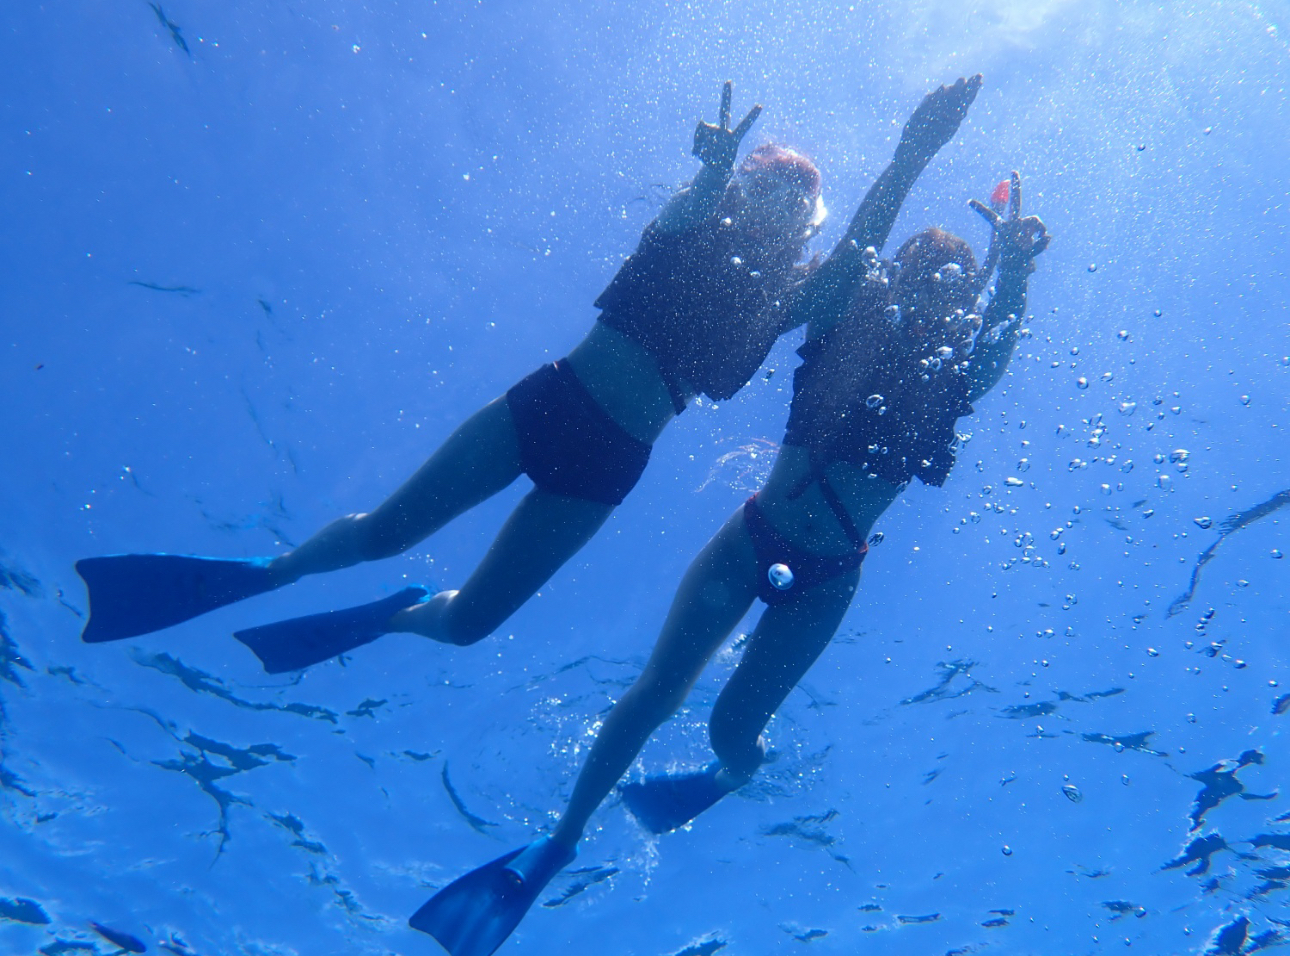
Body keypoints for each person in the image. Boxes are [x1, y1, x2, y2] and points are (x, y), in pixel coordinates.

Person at [410, 75, 1050, 956]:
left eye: (956, 281)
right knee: (656, 691)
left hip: (831, 580)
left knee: (732, 731)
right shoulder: (844, 328)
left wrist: (1012, 275)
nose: (939, 289)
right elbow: (860, 246)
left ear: (965, 299)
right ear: (892, 282)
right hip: (752, 541)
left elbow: (997, 350)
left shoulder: (950, 383)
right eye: (922, 271)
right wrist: (913, 151)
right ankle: (558, 841)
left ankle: (729, 775)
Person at [74, 82, 827, 670]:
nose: (777, 209)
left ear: (806, 227)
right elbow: (691, 203)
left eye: (796, 206)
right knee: (384, 536)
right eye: (767, 188)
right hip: (552, 402)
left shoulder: (776, 304)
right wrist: (714, 170)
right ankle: (275, 572)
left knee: (469, 627)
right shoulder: (692, 224)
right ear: (743, 189)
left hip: (610, 465)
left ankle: (394, 616)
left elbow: (843, 274)